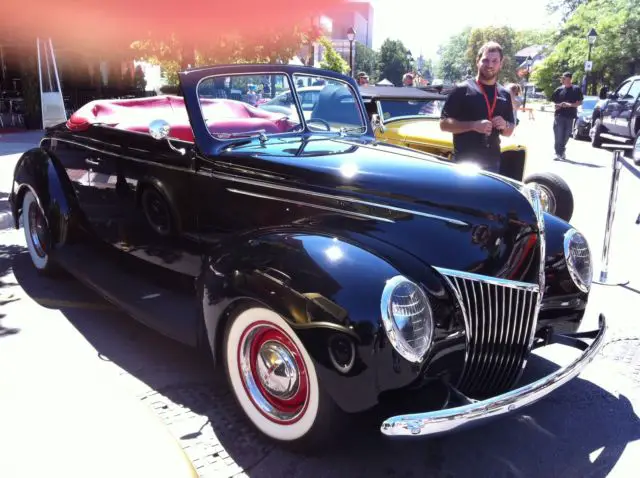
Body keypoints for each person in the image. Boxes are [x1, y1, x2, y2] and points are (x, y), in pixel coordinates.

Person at [439, 41, 515, 173]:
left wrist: (505, 124)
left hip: (493, 164)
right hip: (464, 163)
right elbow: (444, 124)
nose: (490, 65)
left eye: (495, 61)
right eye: (485, 60)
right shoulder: (462, 89)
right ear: (477, 61)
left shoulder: (505, 94)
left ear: (500, 64)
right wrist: (473, 125)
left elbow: (509, 132)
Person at [551, 71, 583, 160]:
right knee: (558, 134)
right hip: (559, 115)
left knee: (566, 135)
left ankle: (562, 150)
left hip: (570, 116)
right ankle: (558, 153)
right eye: (562, 78)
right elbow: (553, 101)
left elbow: (580, 102)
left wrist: (570, 105)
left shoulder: (576, 89)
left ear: (569, 79)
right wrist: (556, 106)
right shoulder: (559, 89)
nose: (562, 80)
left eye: (564, 78)